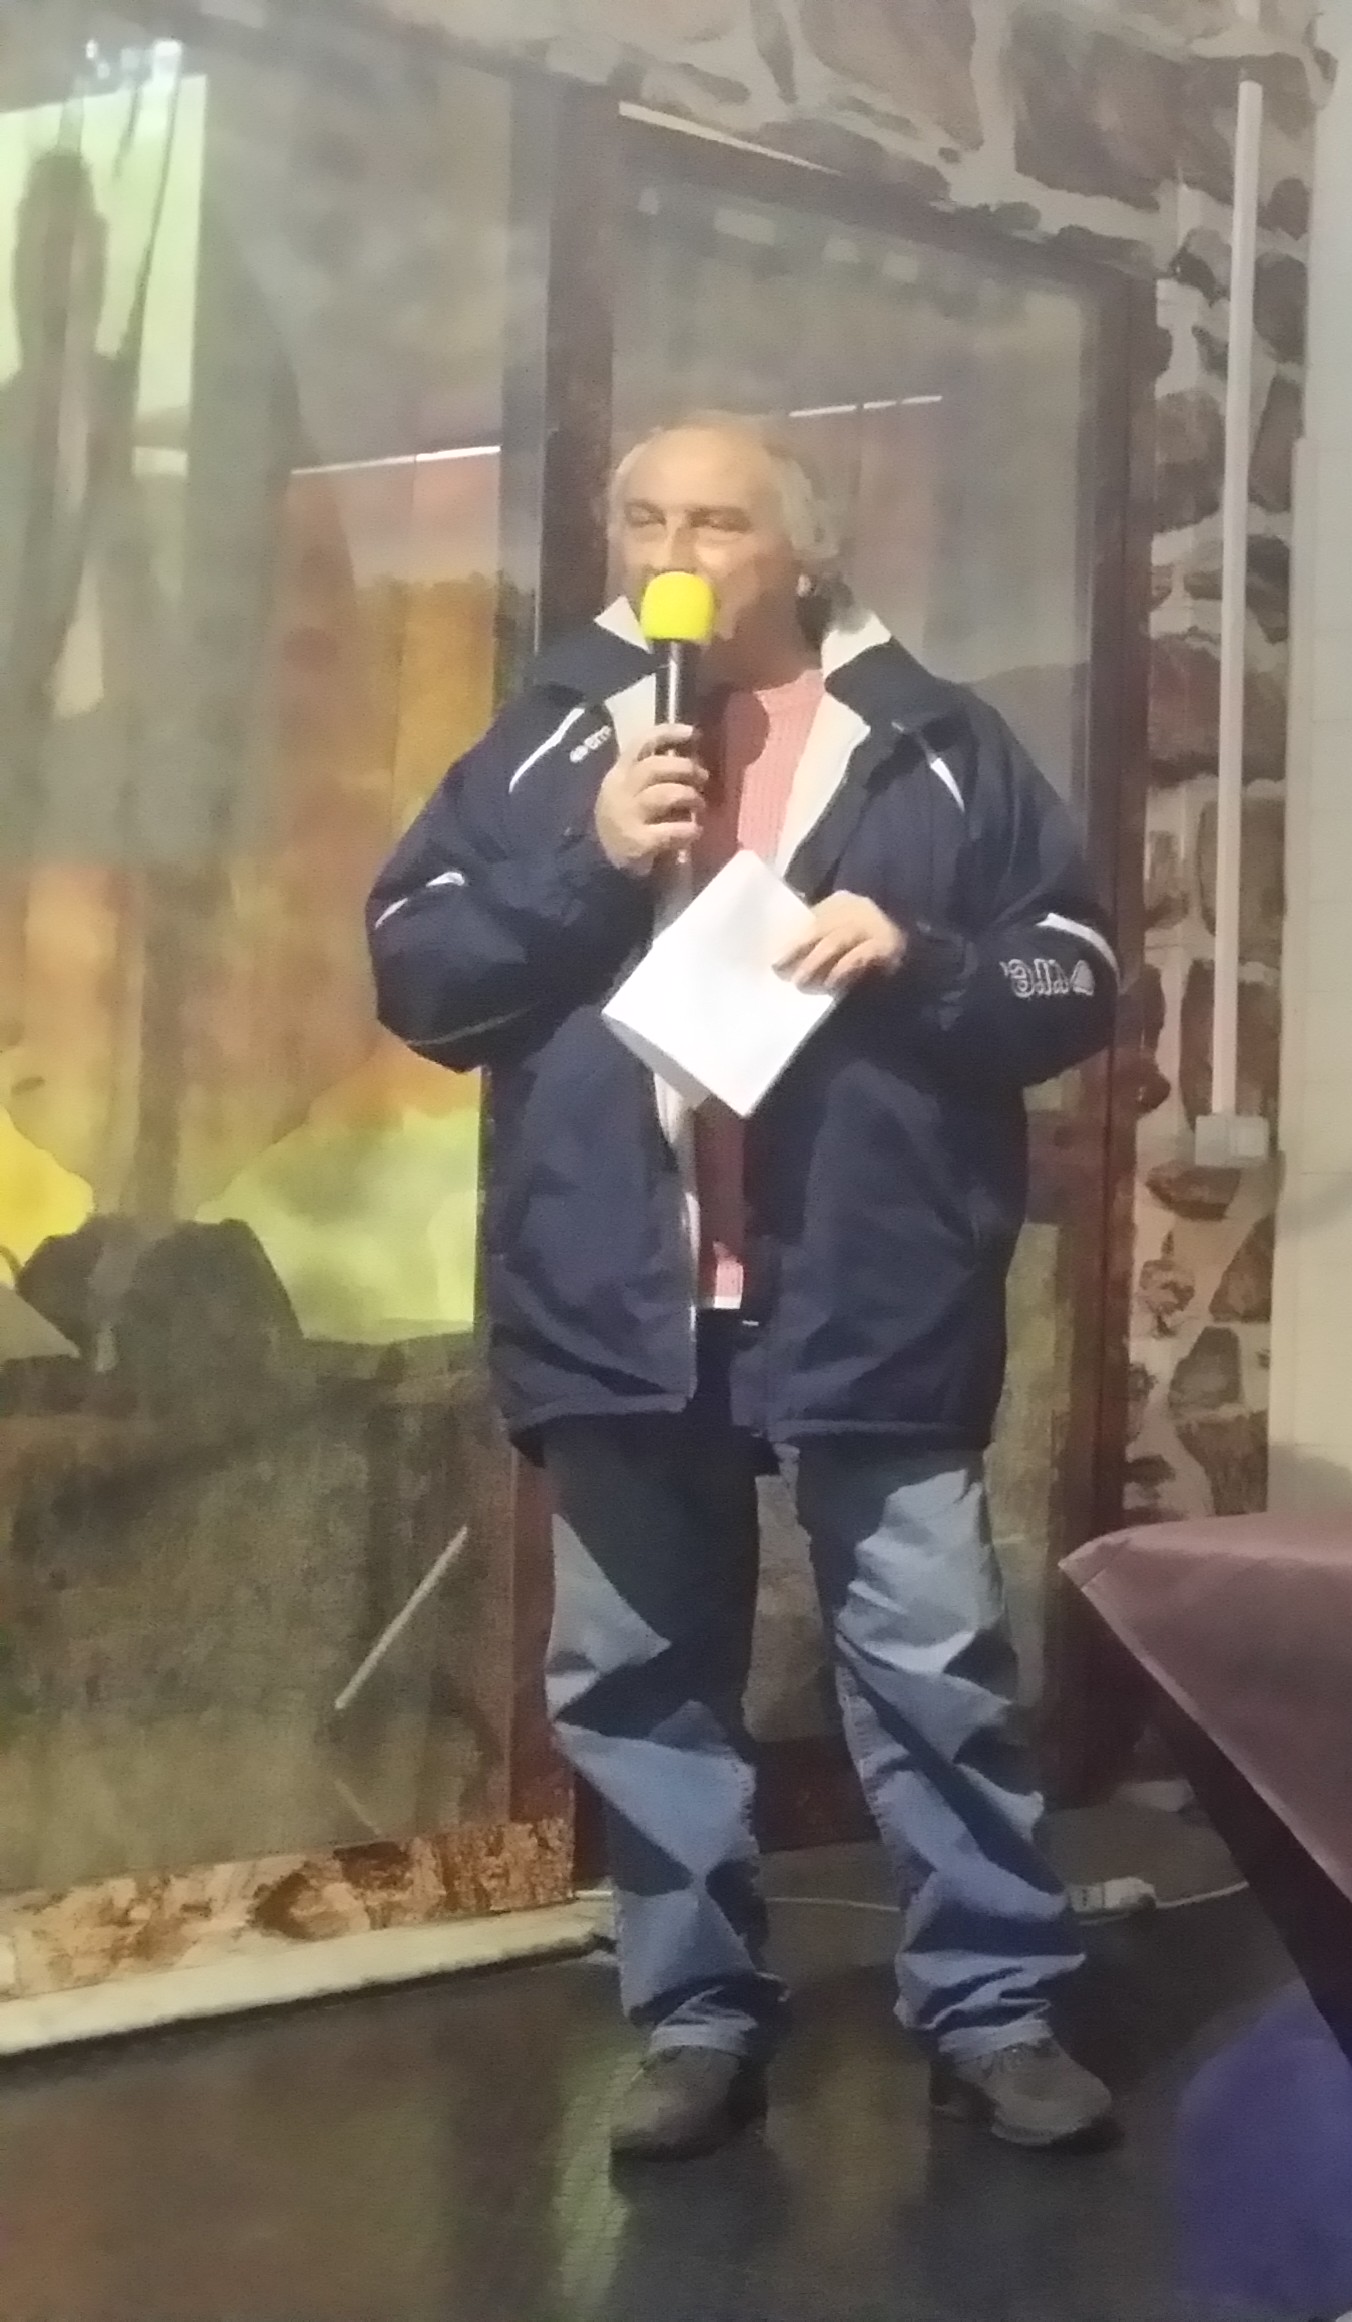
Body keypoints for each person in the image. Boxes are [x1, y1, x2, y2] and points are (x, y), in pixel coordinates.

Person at [365, 416, 1120, 2161]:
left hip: (869, 1286)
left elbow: (1074, 973)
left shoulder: (938, 742)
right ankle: (696, 2017)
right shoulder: (558, 734)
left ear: (802, 548)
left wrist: (920, 956)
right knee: (635, 1675)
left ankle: (994, 2009)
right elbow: (416, 970)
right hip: (618, 1292)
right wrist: (587, 857)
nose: (669, 549)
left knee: (933, 1657)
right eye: (644, 518)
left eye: (713, 519)